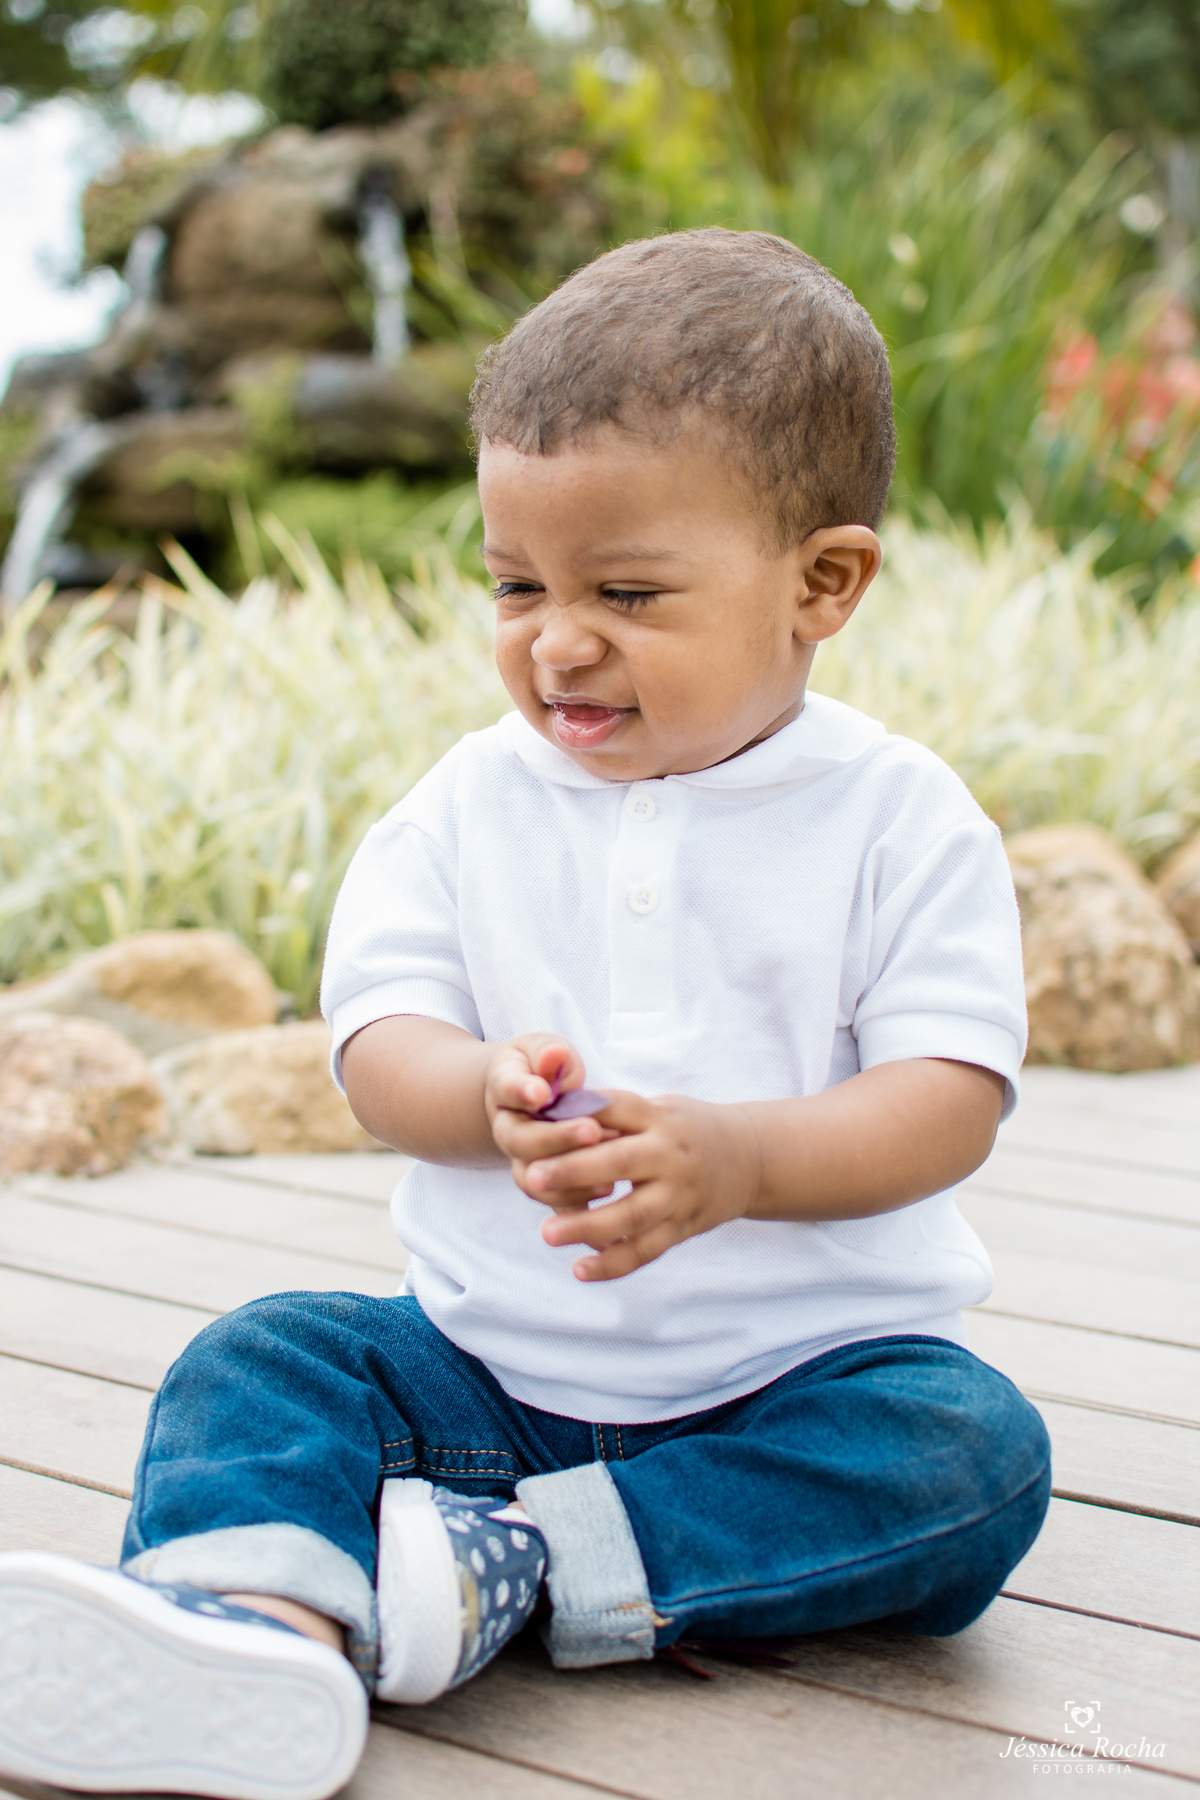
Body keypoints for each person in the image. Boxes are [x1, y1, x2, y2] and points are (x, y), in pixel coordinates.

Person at [0, 228, 1051, 1800]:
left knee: (969, 1456)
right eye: (516, 584)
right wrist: (475, 1089)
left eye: (627, 591)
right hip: (477, 1378)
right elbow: (378, 1042)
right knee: (267, 1358)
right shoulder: (466, 806)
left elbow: (950, 1096)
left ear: (821, 582)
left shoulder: (897, 819)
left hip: (796, 1386)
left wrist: (743, 1165)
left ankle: (520, 1574)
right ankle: (255, 1622)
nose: (558, 639)